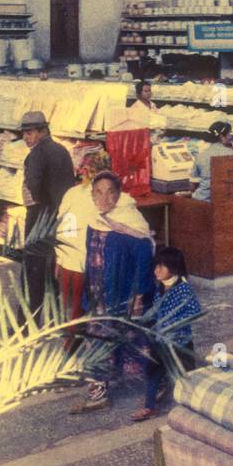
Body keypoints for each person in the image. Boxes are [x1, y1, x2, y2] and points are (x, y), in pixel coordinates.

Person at [70, 171, 155, 414]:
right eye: (98, 192)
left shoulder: (130, 221)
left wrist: (139, 296)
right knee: (96, 342)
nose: (104, 197)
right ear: (92, 194)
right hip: (98, 295)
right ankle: (98, 393)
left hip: (123, 297)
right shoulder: (93, 220)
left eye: (110, 192)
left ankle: (155, 385)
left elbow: (143, 260)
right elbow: (90, 257)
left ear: (118, 194)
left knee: (137, 342)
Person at [56, 149, 147, 347]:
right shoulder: (99, 205)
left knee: (71, 309)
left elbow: (60, 225)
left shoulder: (73, 193)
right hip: (87, 267)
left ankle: (71, 348)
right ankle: (83, 350)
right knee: (85, 312)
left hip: (71, 262)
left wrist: (58, 259)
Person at [132, 245, 202, 422]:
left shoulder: (184, 289)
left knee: (186, 376)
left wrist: (173, 324)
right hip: (161, 342)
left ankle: (195, 408)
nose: (156, 270)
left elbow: (195, 312)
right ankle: (149, 406)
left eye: (161, 267)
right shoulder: (160, 287)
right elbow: (156, 310)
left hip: (180, 343)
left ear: (174, 268)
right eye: (156, 266)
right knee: (153, 372)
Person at [20, 110, 76, 317]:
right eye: (24, 133)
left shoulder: (36, 155)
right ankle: (54, 318)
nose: (26, 137)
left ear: (43, 131)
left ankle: (26, 323)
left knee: (32, 270)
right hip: (60, 216)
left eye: (30, 132)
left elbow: (33, 188)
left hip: (39, 217)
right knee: (53, 269)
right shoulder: (62, 150)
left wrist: (34, 199)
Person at [191, 120, 233, 201]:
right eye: (229, 133)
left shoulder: (201, 155)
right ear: (222, 137)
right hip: (221, 200)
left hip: (201, 199)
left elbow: (193, 183)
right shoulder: (231, 154)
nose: (231, 136)